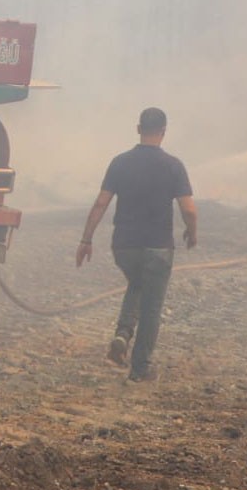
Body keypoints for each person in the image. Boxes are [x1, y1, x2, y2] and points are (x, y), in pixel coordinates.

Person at [76, 107, 198, 383]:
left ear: (138, 129)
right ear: (163, 132)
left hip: (124, 246)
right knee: (151, 307)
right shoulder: (173, 165)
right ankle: (140, 368)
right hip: (157, 247)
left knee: (137, 285)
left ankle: (122, 335)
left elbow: (100, 203)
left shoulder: (119, 163)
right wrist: (192, 233)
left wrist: (86, 239)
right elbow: (189, 210)